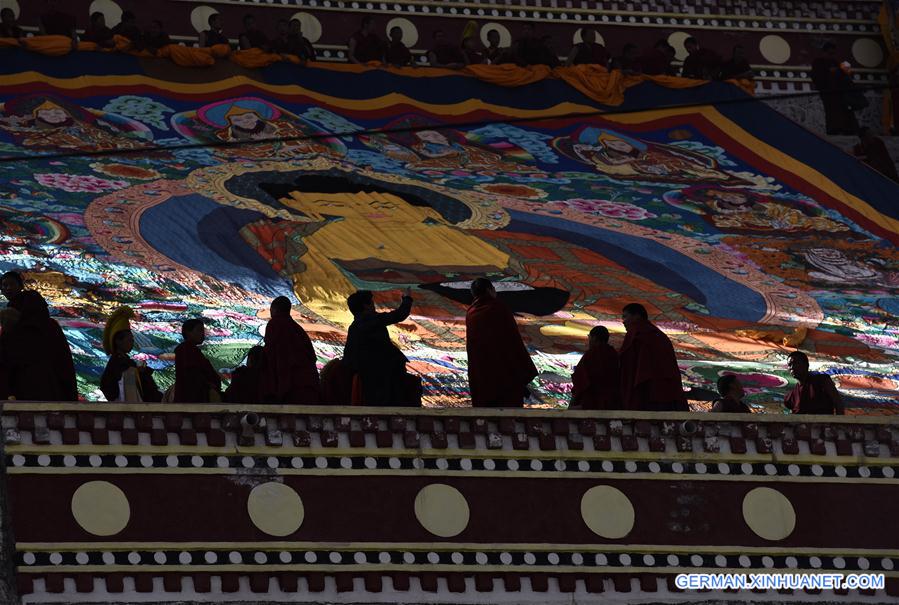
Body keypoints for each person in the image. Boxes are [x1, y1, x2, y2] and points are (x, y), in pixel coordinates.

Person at [1, 271, 78, 402]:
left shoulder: (22, 325)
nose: (7, 288)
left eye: (11, 284)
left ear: (21, 286)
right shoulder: (47, 324)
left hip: (29, 387)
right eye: (4, 286)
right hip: (51, 390)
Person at [466, 278, 538, 407]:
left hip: (481, 371)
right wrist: (524, 369)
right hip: (504, 370)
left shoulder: (471, 313)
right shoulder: (498, 308)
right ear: (489, 290)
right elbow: (513, 340)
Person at [343, 288, 420, 406]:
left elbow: (349, 357)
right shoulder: (369, 320)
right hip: (382, 375)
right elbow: (399, 314)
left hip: (369, 376)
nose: (374, 306)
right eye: (372, 303)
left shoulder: (354, 327)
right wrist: (407, 298)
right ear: (366, 306)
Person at [618, 303, 687, 411]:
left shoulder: (636, 332)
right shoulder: (661, 336)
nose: (623, 321)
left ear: (637, 316)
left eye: (625, 316)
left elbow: (628, 366)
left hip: (646, 393)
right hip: (669, 393)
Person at [260, 296, 320, 404]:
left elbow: (271, 355)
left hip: (289, 382)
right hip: (306, 382)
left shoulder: (275, 324)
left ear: (274, 309)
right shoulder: (298, 329)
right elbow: (311, 356)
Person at [100, 306, 162, 402]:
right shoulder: (118, 362)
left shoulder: (125, 361)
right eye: (129, 339)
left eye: (132, 339)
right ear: (118, 341)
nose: (132, 342)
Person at [811, 41, 859, 135]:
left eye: (833, 53)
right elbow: (817, 77)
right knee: (831, 112)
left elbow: (844, 76)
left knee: (844, 112)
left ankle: (847, 129)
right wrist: (829, 73)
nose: (831, 56)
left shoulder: (835, 62)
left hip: (839, 93)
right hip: (827, 93)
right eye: (830, 53)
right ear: (824, 52)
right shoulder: (818, 62)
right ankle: (834, 129)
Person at [570, 326, 620, 410]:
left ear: (594, 338)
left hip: (591, 400)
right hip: (611, 400)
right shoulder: (614, 354)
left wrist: (573, 402)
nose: (589, 340)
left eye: (589, 337)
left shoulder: (592, 354)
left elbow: (580, 379)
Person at [173, 318, 221, 403]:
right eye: (199, 330)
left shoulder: (191, 350)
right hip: (193, 398)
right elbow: (192, 373)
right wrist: (208, 384)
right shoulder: (186, 350)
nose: (203, 334)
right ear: (188, 332)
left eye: (203, 331)